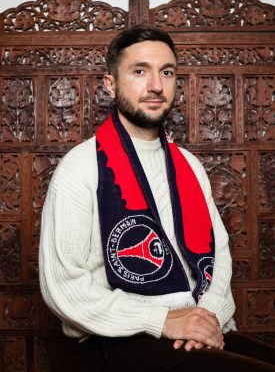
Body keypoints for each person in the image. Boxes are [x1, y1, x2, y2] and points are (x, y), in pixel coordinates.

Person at [39, 25, 275, 371]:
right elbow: (64, 287)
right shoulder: (81, 167)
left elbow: (219, 256)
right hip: (120, 340)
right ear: (110, 84)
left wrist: (204, 320)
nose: (155, 85)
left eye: (167, 72)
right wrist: (163, 321)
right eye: (139, 71)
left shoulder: (189, 166)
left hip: (197, 328)